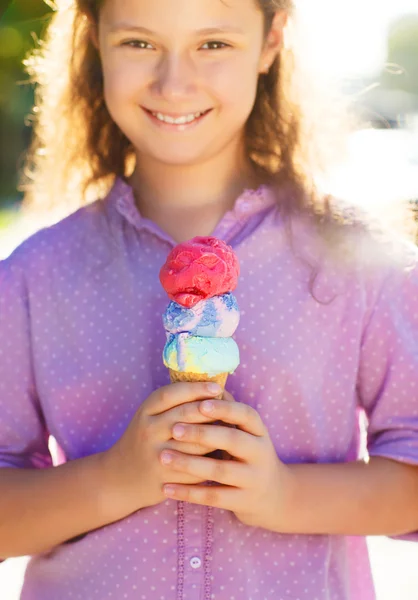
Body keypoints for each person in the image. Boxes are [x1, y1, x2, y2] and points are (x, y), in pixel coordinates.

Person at [1, 0, 418, 598]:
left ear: (271, 39)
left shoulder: (361, 263)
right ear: (96, 40)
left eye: (213, 44)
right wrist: (115, 480)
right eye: (140, 43)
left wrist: (284, 494)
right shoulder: (32, 278)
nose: (174, 82)